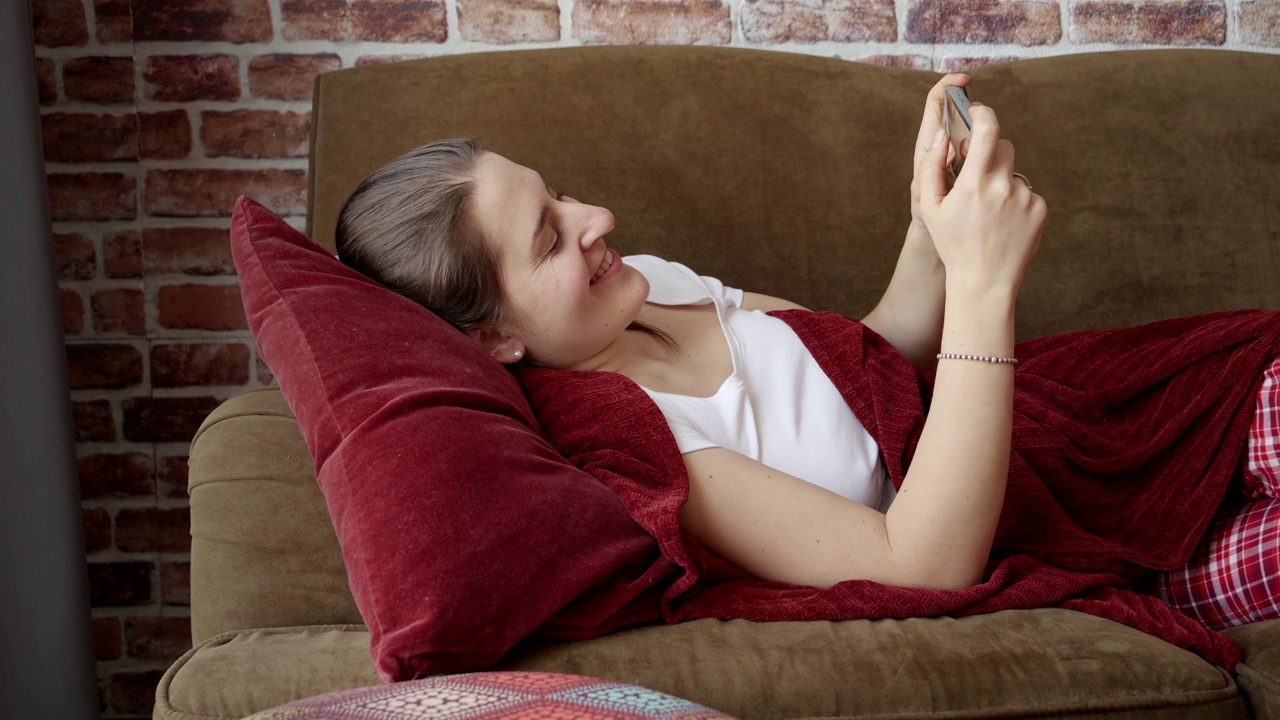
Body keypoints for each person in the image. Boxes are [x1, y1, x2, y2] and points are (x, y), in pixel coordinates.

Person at [335, 75, 1278, 631]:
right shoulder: (637, 456)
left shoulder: (641, 283)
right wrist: (985, 287)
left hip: (1061, 432)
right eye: (548, 238)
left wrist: (929, 226)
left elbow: (863, 356)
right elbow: (925, 564)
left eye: (561, 194)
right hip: (1025, 523)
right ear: (495, 338)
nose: (597, 219)